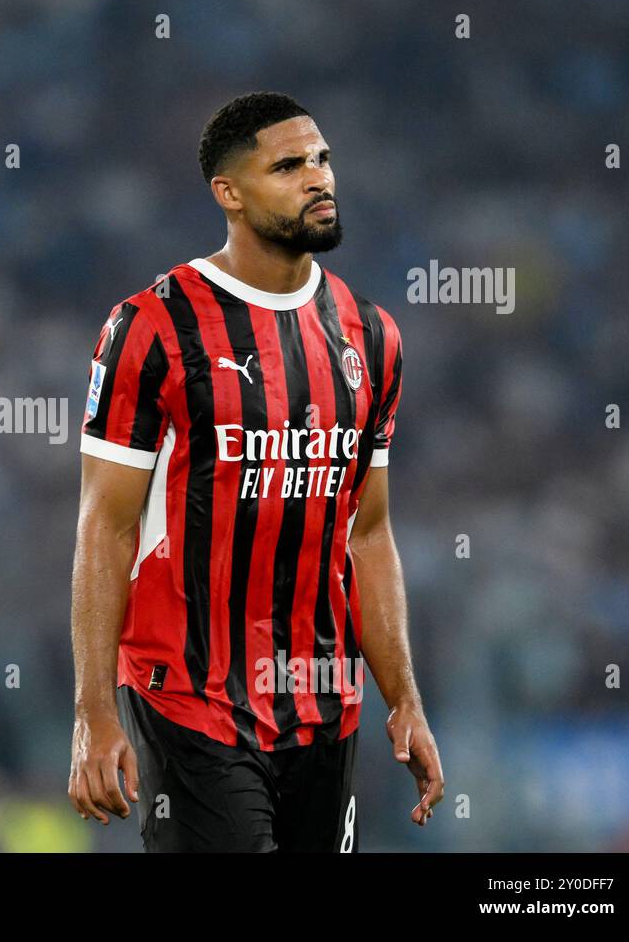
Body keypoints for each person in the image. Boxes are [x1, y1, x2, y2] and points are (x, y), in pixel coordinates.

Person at [68, 91, 444, 851]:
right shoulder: (154, 326)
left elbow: (368, 535)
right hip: (192, 701)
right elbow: (104, 525)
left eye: (323, 159)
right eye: (289, 165)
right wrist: (93, 713)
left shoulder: (371, 336)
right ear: (229, 193)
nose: (319, 178)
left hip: (324, 705)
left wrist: (403, 697)